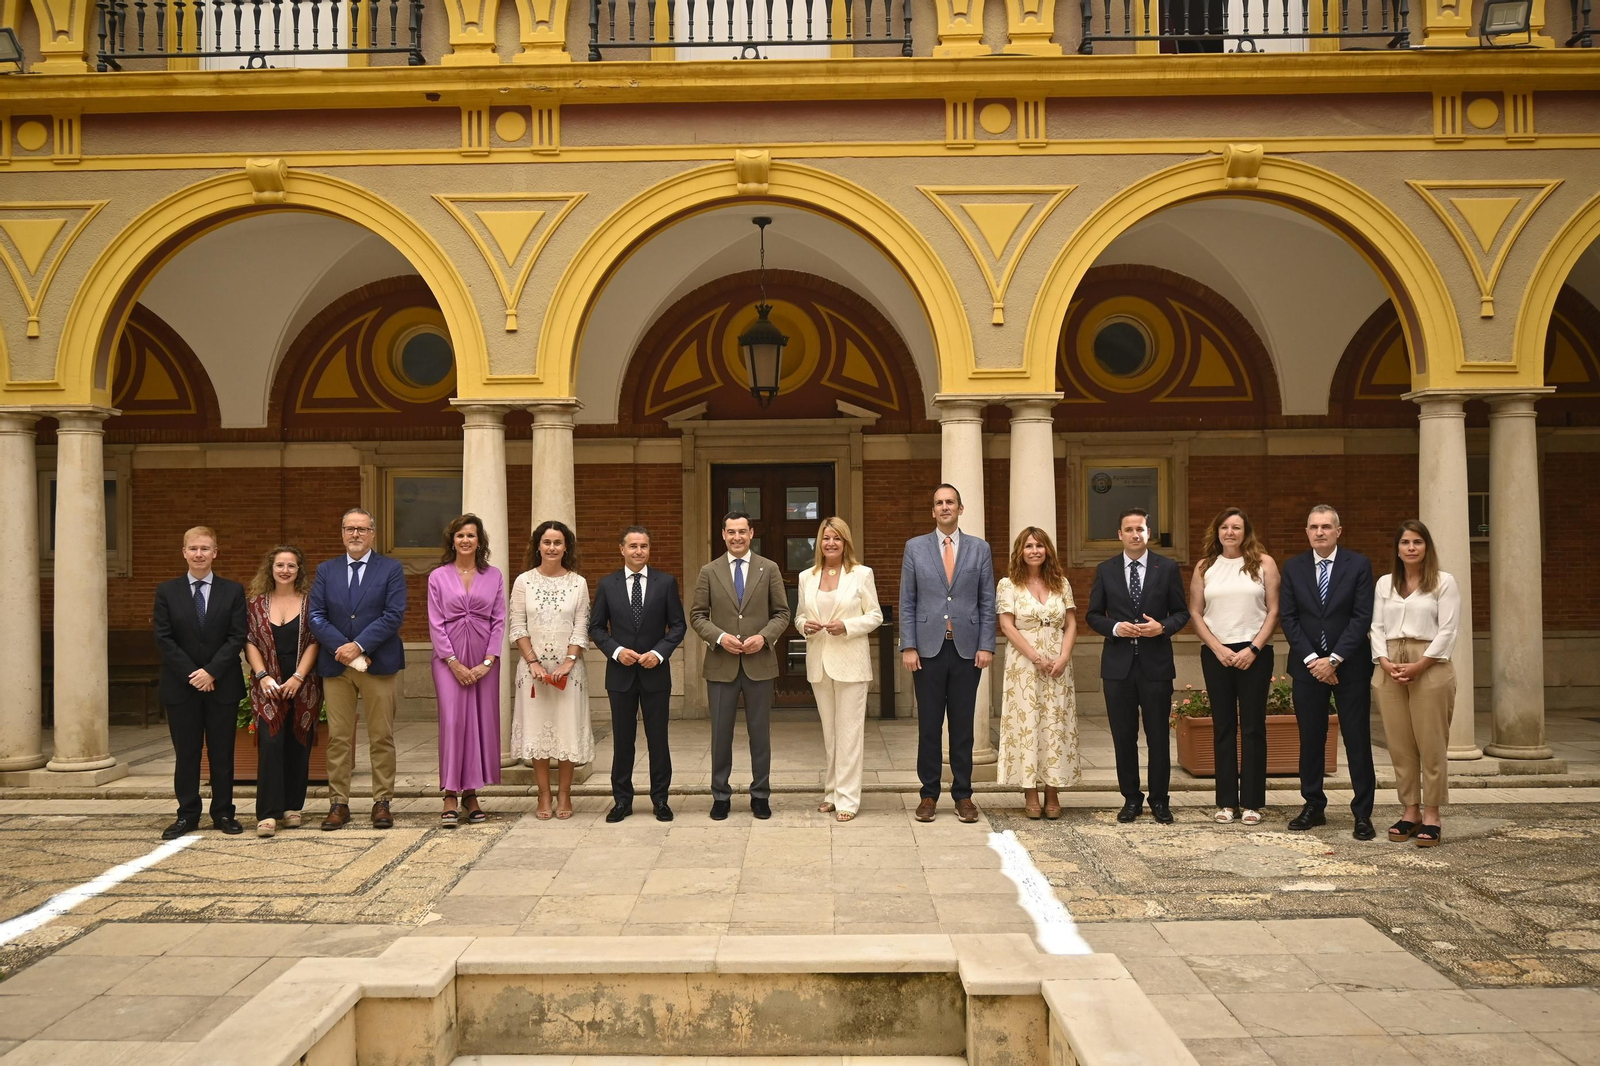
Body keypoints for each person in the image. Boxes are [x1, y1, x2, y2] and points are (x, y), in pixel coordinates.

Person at [1279, 504, 1377, 840]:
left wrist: (1333, 660)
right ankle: (1313, 805)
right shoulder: (1293, 567)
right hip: (1307, 668)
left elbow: (1362, 616)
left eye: (1325, 526)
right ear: (1307, 532)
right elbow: (1289, 618)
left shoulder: (1358, 565)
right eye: (1313, 527)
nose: (1319, 532)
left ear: (1338, 531)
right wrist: (1314, 661)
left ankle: (1362, 813)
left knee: (1357, 739)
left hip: (1350, 667)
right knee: (1311, 739)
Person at [899, 484, 996, 825]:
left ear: (960, 508)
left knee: (963, 726)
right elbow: (907, 600)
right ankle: (928, 794)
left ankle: (963, 795)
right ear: (933, 511)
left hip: (967, 650)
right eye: (939, 503)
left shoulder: (979, 549)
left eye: (950, 502)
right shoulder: (915, 548)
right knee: (929, 725)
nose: (944, 507)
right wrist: (908, 645)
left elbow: (987, 600)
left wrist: (986, 645)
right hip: (927, 650)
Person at [1086, 508, 1190, 825]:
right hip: (1117, 668)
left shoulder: (1166, 568)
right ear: (1120, 534)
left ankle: (1160, 800)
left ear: (1148, 533)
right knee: (1124, 737)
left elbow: (1181, 613)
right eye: (1129, 529)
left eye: (1140, 529)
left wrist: (1163, 627)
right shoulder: (1106, 570)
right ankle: (1131, 798)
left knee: (1158, 737)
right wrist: (1116, 628)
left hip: (1155, 666)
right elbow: (1093, 615)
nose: (1135, 534)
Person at [308, 507, 407, 831]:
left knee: (381, 736)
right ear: (342, 533)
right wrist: (344, 648)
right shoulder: (326, 570)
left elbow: (393, 615)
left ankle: (382, 802)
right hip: (337, 665)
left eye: (362, 529)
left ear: (372, 534)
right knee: (338, 738)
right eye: (350, 529)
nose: (355, 534)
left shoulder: (390, 569)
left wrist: (360, 645)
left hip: (378, 664)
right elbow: (316, 615)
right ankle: (339, 803)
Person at [691, 510, 791, 821]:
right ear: (723, 535)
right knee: (721, 735)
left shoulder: (768, 568)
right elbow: (697, 616)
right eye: (731, 532)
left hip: (759, 663)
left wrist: (764, 637)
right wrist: (720, 638)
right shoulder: (709, 571)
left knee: (760, 734)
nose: (737, 537)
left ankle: (760, 795)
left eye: (742, 531)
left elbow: (782, 613)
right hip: (721, 665)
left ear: (751, 534)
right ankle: (720, 796)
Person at [153, 526, 248, 839]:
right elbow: (164, 638)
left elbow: (237, 636)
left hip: (222, 685)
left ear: (215, 553)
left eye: (205, 548)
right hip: (181, 687)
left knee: (223, 754)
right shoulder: (167, 592)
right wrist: (194, 674)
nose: (199, 554)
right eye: (193, 548)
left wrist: (212, 672)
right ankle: (187, 815)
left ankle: (223, 813)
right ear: (184, 552)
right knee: (187, 754)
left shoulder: (232, 591)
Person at [1188, 508, 1280, 826]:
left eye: (1237, 527)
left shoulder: (1264, 563)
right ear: (1217, 531)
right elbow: (1196, 612)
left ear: (1246, 532)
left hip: (1255, 652)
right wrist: (1218, 648)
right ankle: (1227, 801)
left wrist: (1253, 648)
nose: (1230, 532)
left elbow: (1274, 610)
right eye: (1224, 527)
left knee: (1253, 727)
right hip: (1217, 653)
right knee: (1223, 727)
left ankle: (1252, 803)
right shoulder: (1205, 567)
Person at [1371, 520, 1459, 848]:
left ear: (1426, 547)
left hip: (1430, 663)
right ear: (1397, 549)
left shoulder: (1444, 582)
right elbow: (1376, 626)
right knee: (1400, 743)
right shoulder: (1385, 584)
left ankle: (1432, 813)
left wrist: (1421, 664)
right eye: (1405, 542)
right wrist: (1383, 660)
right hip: (1390, 663)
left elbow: (1448, 630)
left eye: (1417, 542)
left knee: (1431, 742)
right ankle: (1410, 811)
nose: (1411, 547)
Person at [590, 526, 687, 823]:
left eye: (643, 546)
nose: (638, 551)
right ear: (622, 549)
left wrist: (658, 653)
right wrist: (617, 651)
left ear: (649, 549)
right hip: (620, 675)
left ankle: (661, 800)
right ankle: (622, 800)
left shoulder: (665, 582)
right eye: (633, 546)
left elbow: (678, 625)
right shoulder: (607, 584)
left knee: (658, 740)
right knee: (623, 740)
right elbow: (596, 627)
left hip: (655, 673)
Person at [796, 517, 882, 823]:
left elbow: (875, 616)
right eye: (826, 538)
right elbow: (799, 616)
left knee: (849, 734)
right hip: (819, 663)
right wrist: (804, 626)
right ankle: (832, 793)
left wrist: (846, 625)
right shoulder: (807, 577)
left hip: (851, 664)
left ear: (845, 543)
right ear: (819, 543)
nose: (830, 543)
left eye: (836, 538)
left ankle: (848, 798)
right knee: (830, 734)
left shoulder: (861, 574)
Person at [996, 526, 1080, 820]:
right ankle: (1030, 790)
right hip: (1024, 664)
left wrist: (1064, 656)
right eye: (1029, 546)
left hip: (1058, 663)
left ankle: (1052, 790)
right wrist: (1035, 657)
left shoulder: (1061, 583)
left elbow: (1071, 623)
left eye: (1040, 546)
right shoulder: (1008, 584)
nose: (1035, 551)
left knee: (1055, 723)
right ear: (1020, 551)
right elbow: (1006, 625)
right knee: (1028, 723)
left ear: (1048, 550)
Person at [510, 519, 591, 820]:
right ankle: (543, 794)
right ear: (538, 546)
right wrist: (533, 662)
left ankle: (565, 794)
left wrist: (569, 662)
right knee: (538, 733)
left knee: (566, 731)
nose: (552, 548)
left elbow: (581, 626)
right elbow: (517, 625)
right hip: (533, 673)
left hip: (570, 673)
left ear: (566, 547)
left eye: (558, 542)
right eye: (547, 542)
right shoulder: (523, 582)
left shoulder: (578, 583)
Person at [427, 514, 505, 828]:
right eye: (460, 535)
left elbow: (499, 619)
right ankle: (450, 793)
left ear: (479, 541)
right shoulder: (438, 576)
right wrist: (453, 662)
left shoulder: (494, 575)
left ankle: (471, 794)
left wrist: (488, 662)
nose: (465, 540)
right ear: (452, 540)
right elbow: (435, 622)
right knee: (453, 721)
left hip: (484, 659)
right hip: (449, 659)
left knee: (479, 723)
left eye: (471, 535)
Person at [243, 545, 321, 838]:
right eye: (279, 565)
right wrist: (262, 676)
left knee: (299, 743)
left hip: (303, 682)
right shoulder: (255, 604)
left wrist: (298, 677)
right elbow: (250, 640)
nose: (285, 570)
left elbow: (315, 641)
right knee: (271, 743)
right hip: (267, 683)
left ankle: (292, 807)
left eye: (291, 566)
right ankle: (268, 813)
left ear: (299, 570)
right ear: (271, 568)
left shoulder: (311, 603)